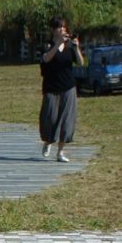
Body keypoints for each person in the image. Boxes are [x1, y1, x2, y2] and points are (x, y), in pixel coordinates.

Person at [38, 16, 84, 162]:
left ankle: (61, 152)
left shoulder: (70, 45)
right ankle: (48, 141)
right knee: (49, 118)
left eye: (64, 27)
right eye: (59, 27)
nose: (62, 30)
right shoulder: (47, 45)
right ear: (53, 30)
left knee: (67, 119)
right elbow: (46, 59)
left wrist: (76, 47)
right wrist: (57, 44)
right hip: (51, 87)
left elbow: (81, 63)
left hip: (68, 86)